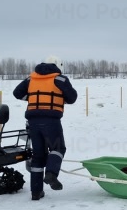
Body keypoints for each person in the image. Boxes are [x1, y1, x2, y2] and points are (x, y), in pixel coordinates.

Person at [13, 55, 78, 200]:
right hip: (51, 120)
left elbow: (17, 93)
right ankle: (51, 174)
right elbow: (72, 98)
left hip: (33, 122)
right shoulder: (60, 79)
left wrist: (32, 98)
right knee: (58, 148)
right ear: (58, 66)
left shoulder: (31, 79)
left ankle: (36, 192)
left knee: (38, 155)